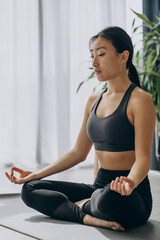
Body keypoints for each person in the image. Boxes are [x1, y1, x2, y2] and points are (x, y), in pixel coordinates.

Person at [5, 26, 156, 231]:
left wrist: (129, 182)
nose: (94, 63)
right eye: (92, 56)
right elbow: (78, 152)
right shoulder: (94, 100)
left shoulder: (140, 100)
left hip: (130, 193)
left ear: (123, 57)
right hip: (98, 187)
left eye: (101, 54)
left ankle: (80, 206)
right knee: (30, 189)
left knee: (108, 200)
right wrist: (36, 175)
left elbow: (143, 159)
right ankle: (88, 217)